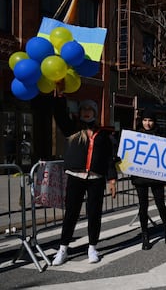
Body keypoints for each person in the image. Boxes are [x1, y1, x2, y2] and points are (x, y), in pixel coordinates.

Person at [51, 92, 117, 266]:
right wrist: (59, 96)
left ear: (95, 113)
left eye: (90, 109)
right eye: (84, 109)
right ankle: (63, 249)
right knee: (71, 214)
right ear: (80, 112)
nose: (87, 112)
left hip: (96, 178)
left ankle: (92, 248)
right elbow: (59, 114)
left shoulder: (103, 134)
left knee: (94, 214)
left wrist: (112, 180)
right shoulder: (73, 129)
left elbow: (108, 158)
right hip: (76, 176)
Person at [130, 109, 166, 250]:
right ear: (141, 121)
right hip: (140, 176)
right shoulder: (134, 136)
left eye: (150, 120)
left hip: (156, 176)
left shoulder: (161, 135)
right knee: (143, 207)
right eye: (145, 120)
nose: (147, 123)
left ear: (154, 122)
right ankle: (145, 236)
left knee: (160, 203)